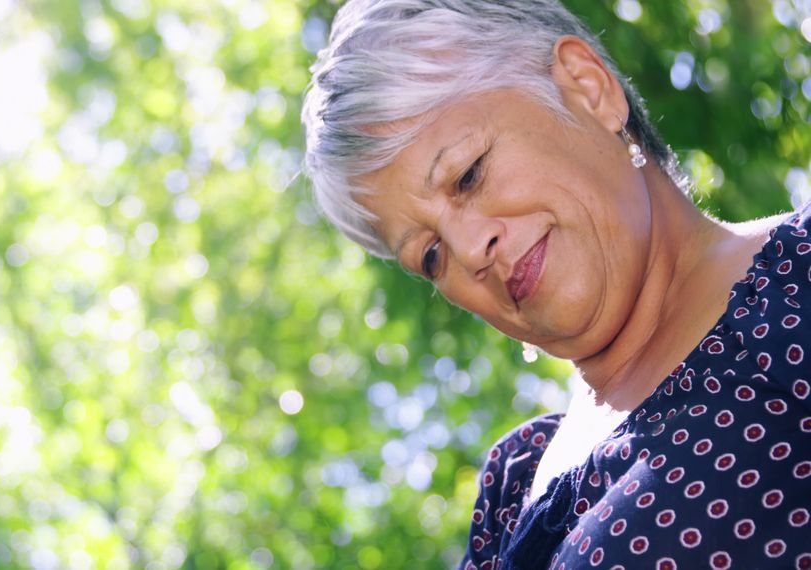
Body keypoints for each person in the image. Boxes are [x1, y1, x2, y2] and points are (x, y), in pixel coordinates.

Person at [301, 0, 810, 568]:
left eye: (468, 175)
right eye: (431, 255)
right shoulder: (511, 490)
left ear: (589, 90)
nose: (470, 251)